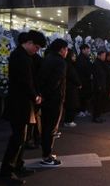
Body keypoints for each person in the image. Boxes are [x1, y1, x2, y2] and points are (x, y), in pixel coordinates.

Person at [0, 30, 46, 185]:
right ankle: (7, 171)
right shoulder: (20, 56)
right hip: (19, 103)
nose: (37, 50)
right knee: (17, 138)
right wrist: (35, 96)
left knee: (22, 138)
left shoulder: (25, 56)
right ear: (30, 43)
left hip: (23, 103)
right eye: (37, 47)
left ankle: (18, 166)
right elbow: (25, 81)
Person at [39, 39, 68, 167]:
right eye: (66, 49)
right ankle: (47, 156)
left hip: (45, 98)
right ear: (61, 49)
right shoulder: (59, 62)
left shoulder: (47, 57)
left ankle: (46, 153)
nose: (67, 52)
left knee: (46, 126)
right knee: (50, 128)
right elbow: (55, 82)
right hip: (53, 99)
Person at [64, 49, 82, 127]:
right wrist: (79, 83)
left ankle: (69, 120)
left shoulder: (70, 64)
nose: (75, 57)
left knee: (71, 104)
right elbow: (73, 76)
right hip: (71, 88)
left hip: (70, 87)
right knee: (71, 104)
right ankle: (68, 120)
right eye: (73, 56)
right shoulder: (69, 65)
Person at [76, 44, 93, 117]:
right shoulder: (80, 58)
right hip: (82, 80)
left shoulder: (86, 58)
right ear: (82, 50)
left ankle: (84, 110)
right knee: (82, 96)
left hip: (87, 80)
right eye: (87, 49)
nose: (88, 51)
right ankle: (80, 111)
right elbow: (81, 70)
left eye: (88, 49)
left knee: (85, 96)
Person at [92, 50, 107, 123]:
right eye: (103, 56)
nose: (104, 57)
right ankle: (96, 117)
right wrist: (99, 86)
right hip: (98, 86)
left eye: (105, 56)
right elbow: (96, 76)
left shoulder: (101, 63)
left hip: (102, 85)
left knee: (100, 102)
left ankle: (98, 116)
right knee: (97, 102)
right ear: (99, 55)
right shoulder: (96, 63)